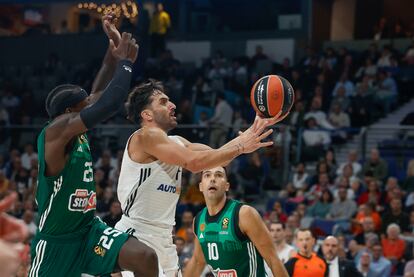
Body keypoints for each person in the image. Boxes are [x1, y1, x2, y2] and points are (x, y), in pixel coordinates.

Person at [28, 14, 158, 277]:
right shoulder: (55, 132)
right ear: (68, 112)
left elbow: (98, 93)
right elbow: (106, 103)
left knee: (145, 257)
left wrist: (112, 49)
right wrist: (125, 63)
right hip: (56, 243)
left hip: (88, 231)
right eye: (83, 106)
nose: (90, 105)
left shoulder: (73, 127)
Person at [114, 79, 286, 276]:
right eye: (163, 102)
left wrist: (255, 128)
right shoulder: (145, 136)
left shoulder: (176, 142)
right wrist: (240, 147)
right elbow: (195, 163)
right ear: (147, 114)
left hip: (164, 239)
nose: (172, 105)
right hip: (138, 235)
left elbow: (215, 156)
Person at [183, 166, 288, 277]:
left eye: (218, 175)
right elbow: (198, 261)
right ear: (201, 186)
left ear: (227, 186)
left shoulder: (244, 214)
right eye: (207, 175)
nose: (212, 179)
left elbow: (273, 259)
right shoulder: (199, 220)